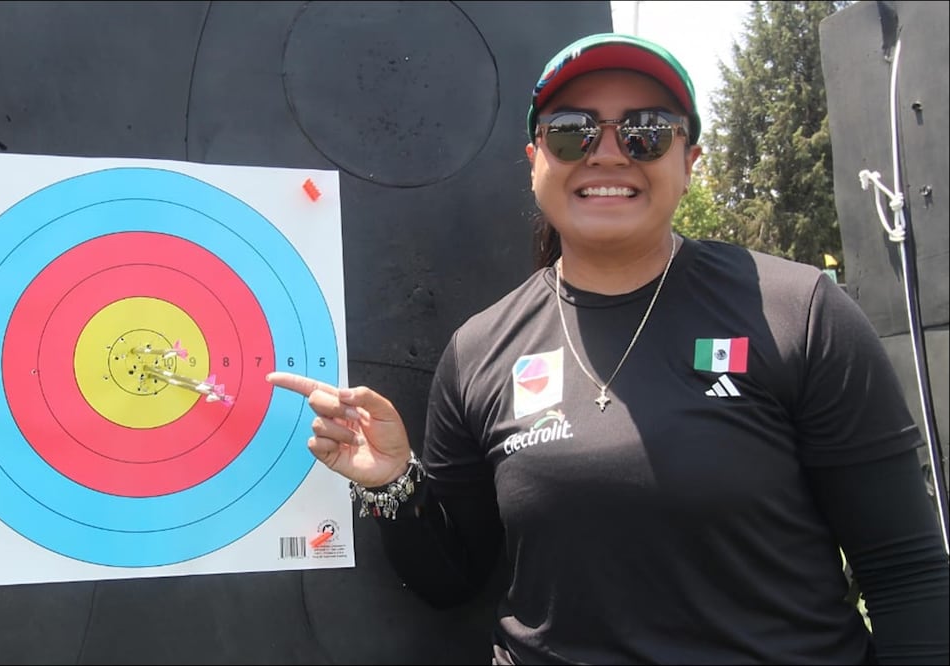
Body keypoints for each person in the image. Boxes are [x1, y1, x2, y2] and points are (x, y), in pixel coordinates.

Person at [267, 32, 950, 665]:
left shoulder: (797, 312)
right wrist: (393, 484)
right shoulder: (478, 350)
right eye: (571, 132)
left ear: (689, 162)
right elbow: (452, 579)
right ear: (535, 162)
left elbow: (907, 573)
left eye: (646, 132)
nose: (607, 151)